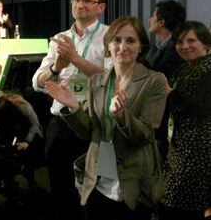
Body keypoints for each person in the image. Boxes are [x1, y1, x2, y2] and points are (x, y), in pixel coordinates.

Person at [45, 16, 168, 220]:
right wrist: (74, 107)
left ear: (141, 47)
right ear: (108, 46)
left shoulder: (154, 81)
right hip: (100, 173)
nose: (123, 46)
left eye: (131, 40)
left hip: (134, 176)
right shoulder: (97, 81)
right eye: (117, 40)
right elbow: (89, 132)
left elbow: (145, 135)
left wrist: (121, 116)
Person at [31, 0, 109, 219]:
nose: (79, 5)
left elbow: (111, 79)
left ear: (101, 7)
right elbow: (37, 82)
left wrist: (74, 59)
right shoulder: (60, 37)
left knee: (94, 190)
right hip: (60, 122)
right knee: (60, 189)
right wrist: (57, 66)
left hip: (93, 123)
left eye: (87, 0)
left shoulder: (110, 36)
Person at [159, 21, 211, 220]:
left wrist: (170, 95)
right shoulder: (186, 68)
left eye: (192, 41)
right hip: (181, 151)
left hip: (199, 156)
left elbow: (203, 106)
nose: (185, 46)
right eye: (180, 42)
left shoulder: (207, 68)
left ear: (206, 44)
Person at [144, 0, 186, 161]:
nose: (149, 19)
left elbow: (155, 78)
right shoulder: (160, 47)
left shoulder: (174, 50)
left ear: (161, 22)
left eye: (153, 16)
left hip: (165, 122)